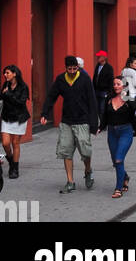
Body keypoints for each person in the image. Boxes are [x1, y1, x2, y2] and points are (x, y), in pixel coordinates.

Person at [39, 54, 99, 193]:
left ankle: (88, 170)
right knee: (66, 151)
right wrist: (44, 113)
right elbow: (51, 97)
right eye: (69, 69)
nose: (71, 71)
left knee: (85, 151)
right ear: (65, 68)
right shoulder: (60, 80)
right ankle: (70, 181)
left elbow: (92, 101)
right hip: (66, 121)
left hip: (82, 120)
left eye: (74, 69)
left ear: (77, 68)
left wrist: (94, 123)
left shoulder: (85, 79)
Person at [100, 76, 136, 197]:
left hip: (125, 132)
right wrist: (100, 127)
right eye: (114, 84)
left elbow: (134, 109)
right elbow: (105, 115)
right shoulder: (109, 99)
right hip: (112, 133)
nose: (116, 86)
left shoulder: (129, 100)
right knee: (114, 160)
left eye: (118, 84)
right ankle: (125, 177)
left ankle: (118, 188)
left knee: (118, 158)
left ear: (124, 85)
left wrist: (125, 95)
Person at [0, 64, 30, 178]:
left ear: (14, 73)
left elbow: (20, 103)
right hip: (7, 117)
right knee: (5, 143)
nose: (5, 75)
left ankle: (14, 169)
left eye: (7, 73)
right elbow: (0, 97)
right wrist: (3, 94)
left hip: (19, 118)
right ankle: (11, 161)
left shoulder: (23, 87)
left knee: (15, 143)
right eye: (5, 73)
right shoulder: (5, 84)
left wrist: (8, 94)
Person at [92, 52, 114, 126]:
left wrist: (109, 92)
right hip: (96, 91)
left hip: (104, 91)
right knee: (97, 108)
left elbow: (111, 80)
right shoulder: (97, 66)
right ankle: (102, 122)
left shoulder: (109, 67)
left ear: (104, 58)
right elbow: (94, 77)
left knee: (102, 108)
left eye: (99, 56)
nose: (97, 58)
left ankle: (103, 124)